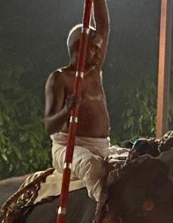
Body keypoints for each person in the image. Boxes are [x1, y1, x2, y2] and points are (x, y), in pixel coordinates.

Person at [44, 0, 118, 201]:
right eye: (93, 48)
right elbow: (50, 126)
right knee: (92, 166)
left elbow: (103, 25)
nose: (98, 53)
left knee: (136, 160)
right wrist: (67, 110)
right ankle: (104, 210)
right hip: (68, 147)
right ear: (78, 47)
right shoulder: (59, 78)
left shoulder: (94, 72)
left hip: (103, 146)